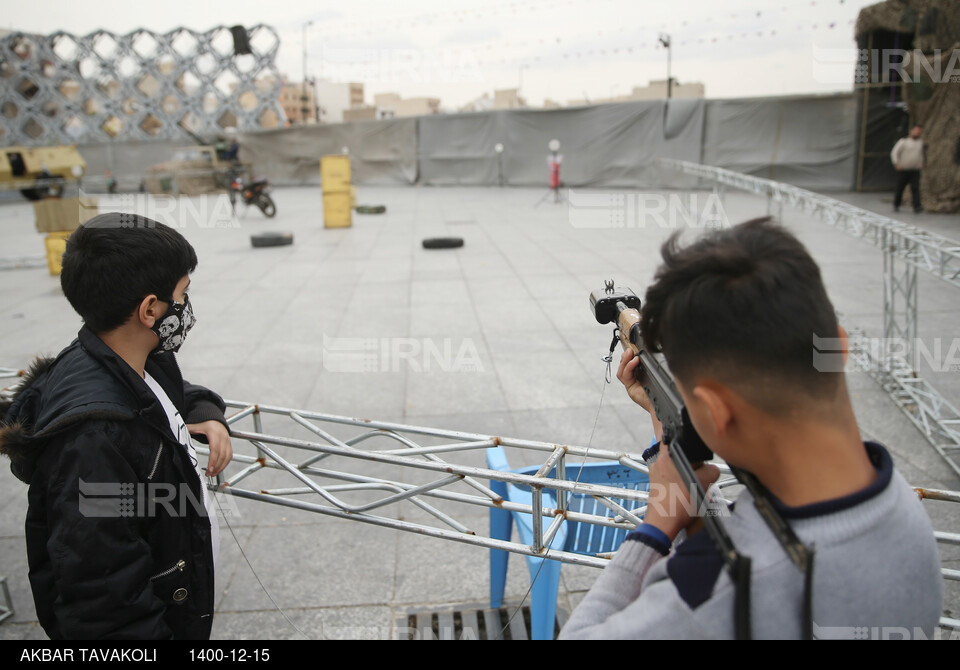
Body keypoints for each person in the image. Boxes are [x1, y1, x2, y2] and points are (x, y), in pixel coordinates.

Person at [559, 217, 943, 640]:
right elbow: (755, 534)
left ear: (715, 411)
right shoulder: (900, 504)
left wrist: (655, 526)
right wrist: (664, 415)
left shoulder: (712, 590)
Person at [0, 213, 233, 640]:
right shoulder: (95, 443)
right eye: (182, 295)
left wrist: (204, 411)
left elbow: (172, 392)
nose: (186, 308)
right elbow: (106, 600)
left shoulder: (130, 357)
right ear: (149, 309)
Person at [891, 125, 925, 214]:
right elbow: (894, 152)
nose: (917, 133)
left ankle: (917, 206)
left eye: (919, 131)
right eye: (916, 131)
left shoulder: (920, 142)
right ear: (911, 131)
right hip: (904, 169)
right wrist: (896, 163)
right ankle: (896, 203)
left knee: (915, 188)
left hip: (915, 170)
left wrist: (921, 162)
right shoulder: (903, 141)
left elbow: (921, 154)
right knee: (900, 187)